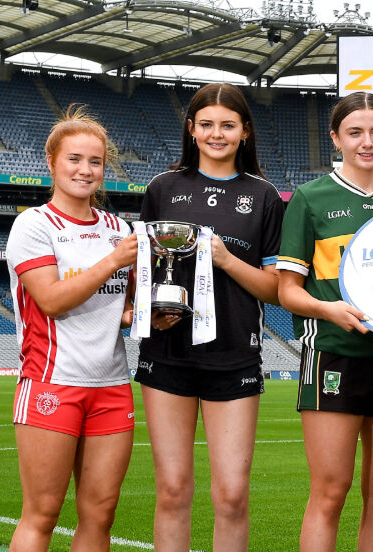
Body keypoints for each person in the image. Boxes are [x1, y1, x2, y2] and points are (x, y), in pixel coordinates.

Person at [136, 83, 284, 552]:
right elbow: (144, 269)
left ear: (245, 132)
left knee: (232, 496)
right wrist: (150, 310)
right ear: (191, 130)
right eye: (206, 125)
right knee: (172, 490)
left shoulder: (263, 196)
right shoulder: (163, 188)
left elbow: (275, 290)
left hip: (234, 356)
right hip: (167, 354)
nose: (216, 134)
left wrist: (225, 259)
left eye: (227, 125)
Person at [276, 91, 373, 552]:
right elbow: (287, 291)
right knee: (330, 493)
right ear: (336, 138)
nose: (367, 142)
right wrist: (329, 310)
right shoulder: (309, 199)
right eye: (355, 132)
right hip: (333, 356)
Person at [6, 105, 137, 552]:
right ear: (52, 163)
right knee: (42, 514)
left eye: (95, 161)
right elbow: (51, 300)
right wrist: (113, 261)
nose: (85, 170)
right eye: (74, 159)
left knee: (100, 515)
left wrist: (145, 316)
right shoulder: (34, 224)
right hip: (52, 382)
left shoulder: (119, 228)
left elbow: (122, 307)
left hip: (112, 385)